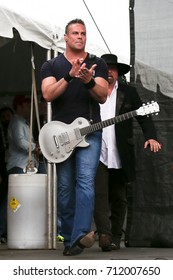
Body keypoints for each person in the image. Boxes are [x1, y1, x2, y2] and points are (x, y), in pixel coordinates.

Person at [40, 18, 108, 256]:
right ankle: (70, 241)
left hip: (90, 130)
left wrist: (88, 81)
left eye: (83, 33)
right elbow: (48, 94)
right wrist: (69, 76)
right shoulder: (51, 65)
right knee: (66, 187)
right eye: (75, 33)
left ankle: (80, 234)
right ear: (66, 38)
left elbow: (102, 96)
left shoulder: (96, 63)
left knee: (85, 181)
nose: (80, 36)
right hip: (61, 136)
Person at [94, 54, 162, 251]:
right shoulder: (91, 90)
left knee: (119, 196)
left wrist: (151, 136)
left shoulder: (128, 92)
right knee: (99, 194)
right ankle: (104, 234)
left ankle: (115, 237)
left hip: (119, 151)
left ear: (118, 73)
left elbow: (144, 116)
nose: (108, 71)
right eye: (105, 67)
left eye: (113, 68)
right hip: (96, 151)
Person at [7, 95, 38, 175]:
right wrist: (35, 147)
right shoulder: (17, 123)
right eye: (27, 105)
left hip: (22, 166)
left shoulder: (22, 122)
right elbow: (20, 141)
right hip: (19, 166)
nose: (30, 108)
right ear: (19, 106)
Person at [0, 107, 14, 243]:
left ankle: (4, 231)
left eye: (7, 116)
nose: (6, 119)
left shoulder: (13, 127)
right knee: (7, 199)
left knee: (10, 199)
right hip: (5, 166)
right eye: (3, 117)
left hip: (8, 163)